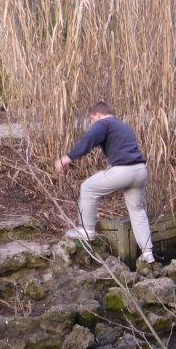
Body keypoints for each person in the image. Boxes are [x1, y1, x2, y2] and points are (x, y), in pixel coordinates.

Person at [55, 101, 155, 264]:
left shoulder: (103, 123)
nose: (93, 123)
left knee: (87, 188)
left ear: (97, 115)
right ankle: (147, 253)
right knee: (137, 211)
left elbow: (89, 139)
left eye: (92, 120)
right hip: (140, 170)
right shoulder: (122, 125)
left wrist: (68, 157)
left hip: (124, 171)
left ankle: (87, 230)